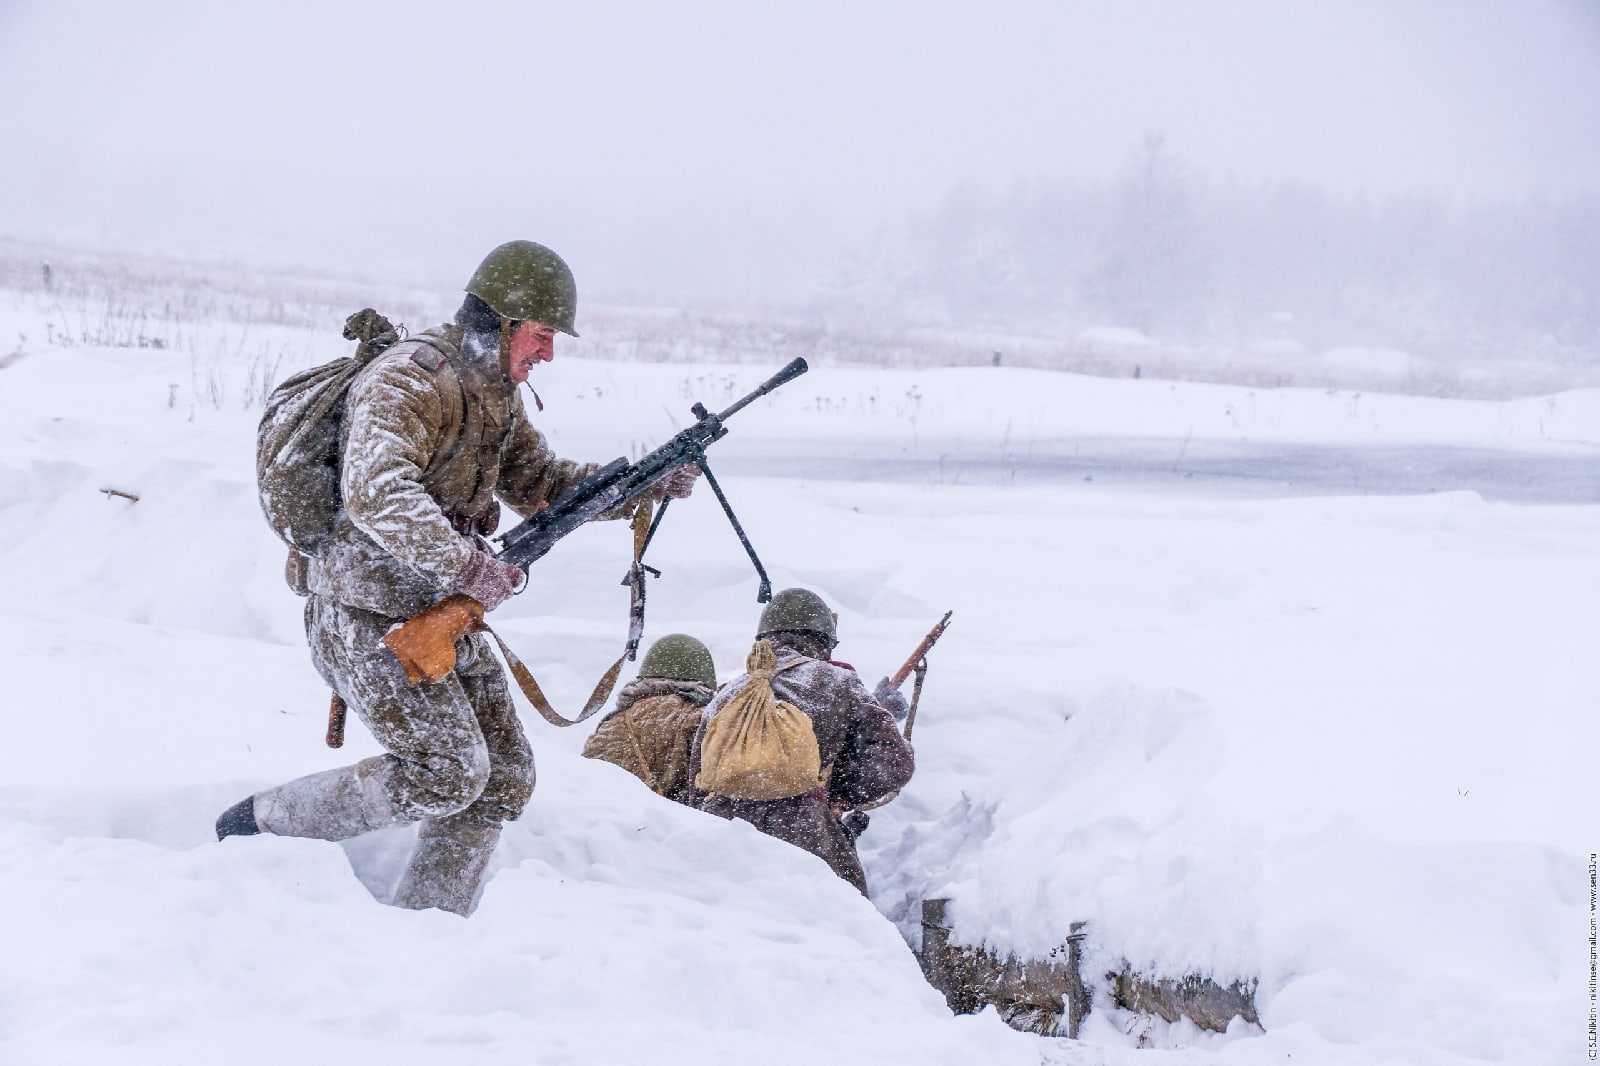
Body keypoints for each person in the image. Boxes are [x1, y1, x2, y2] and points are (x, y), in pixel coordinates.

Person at [215, 240, 697, 916]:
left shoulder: (494, 392)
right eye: (541, 334)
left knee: (504, 778)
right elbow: (377, 491)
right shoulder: (410, 380)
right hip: (361, 616)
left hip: (438, 615)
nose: (548, 354)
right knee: (446, 773)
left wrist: (644, 484)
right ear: (502, 321)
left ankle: (429, 922)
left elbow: (540, 484)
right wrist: (468, 565)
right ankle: (258, 827)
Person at [688, 588, 914, 895]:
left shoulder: (727, 695)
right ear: (824, 638)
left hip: (723, 843)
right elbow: (894, 762)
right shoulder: (838, 682)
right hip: (805, 835)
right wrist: (841, 793)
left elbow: (698, 782)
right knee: (828, 918)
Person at [581, 633, 718, 805]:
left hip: (613, 816)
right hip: (673, 820)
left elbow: (588, 781)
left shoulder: (612, 724)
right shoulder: (703, 721)